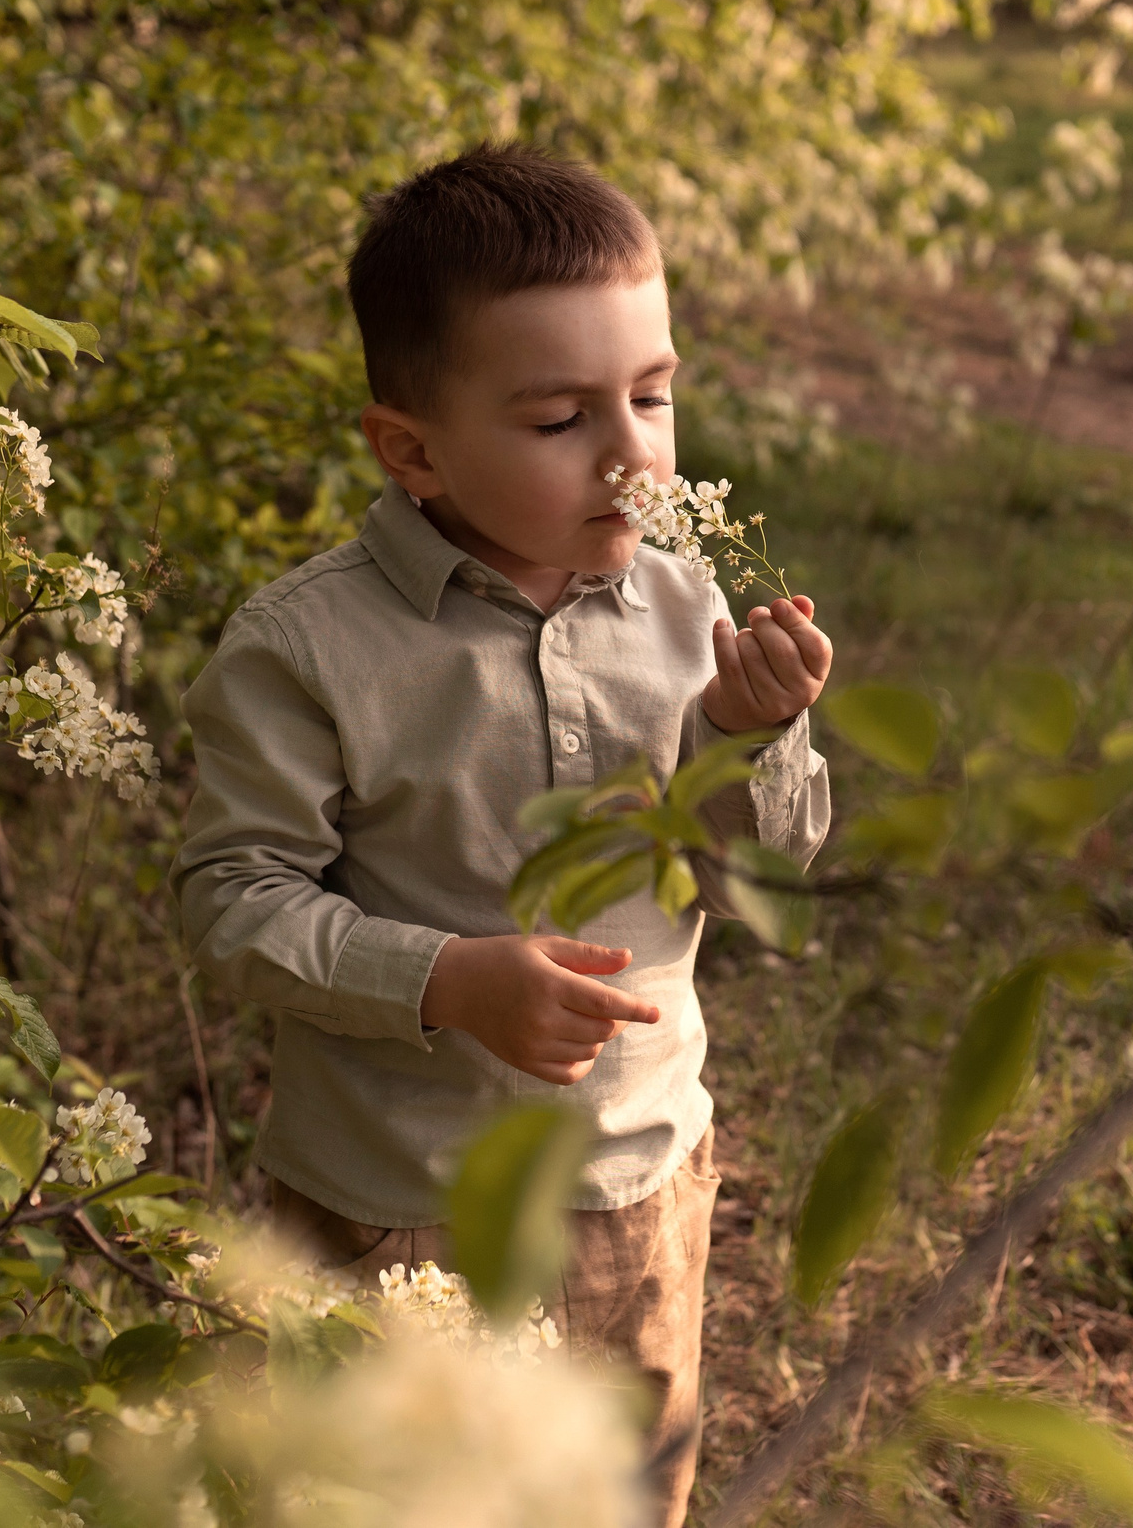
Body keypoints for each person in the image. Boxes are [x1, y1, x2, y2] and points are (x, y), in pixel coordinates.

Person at [171, 144, 833, 1527]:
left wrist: (744, 738)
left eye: (652, 397)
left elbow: (761, 881)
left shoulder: (690, 610)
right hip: (393, 1211)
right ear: (413, 447)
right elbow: (234, 902)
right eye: (558, 419)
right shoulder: (309, 649)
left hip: (632, 1183)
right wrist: (444, 978)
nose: (632, 453)